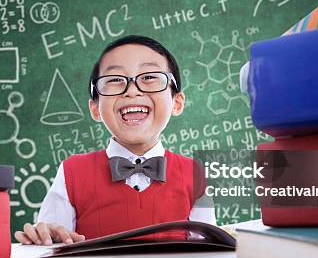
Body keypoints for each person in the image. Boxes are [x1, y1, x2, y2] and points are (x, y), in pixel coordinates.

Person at [15, 35, 216, 245]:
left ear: (177, 102)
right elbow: (52, 246)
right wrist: (46, 235)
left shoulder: (196, 174)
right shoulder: (71, 172)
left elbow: (207, 253)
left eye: (148, 77)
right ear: (95, 109)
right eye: (115, 80)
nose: (132, 90)